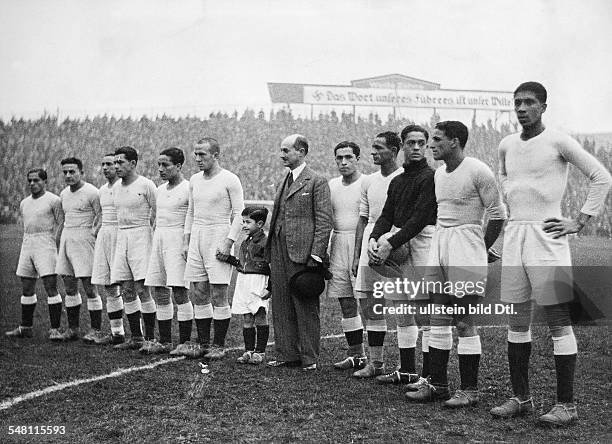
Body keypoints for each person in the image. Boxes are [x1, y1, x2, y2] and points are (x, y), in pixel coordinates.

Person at [490, 82, 612, 425]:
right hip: (516, 236)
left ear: (543, 106)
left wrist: (580, 221)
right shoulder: (506, 145)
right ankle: (521, 398)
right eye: (517, 103)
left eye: (529, 102)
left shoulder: (558, 140)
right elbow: (505, 181)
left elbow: (601, 176)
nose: (522, 108)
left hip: (548, 238)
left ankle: (566, 405)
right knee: (516, 320)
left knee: (558, 319)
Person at [405, 121, 506, 407]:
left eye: (437, 139)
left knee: (463, 320)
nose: (430, 145)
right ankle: (437, 384)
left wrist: (479, 249)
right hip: (440, 244)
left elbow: (498, 215)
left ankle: (470, 390)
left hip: (466, 245)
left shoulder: (477, 170)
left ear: (455, 141)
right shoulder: (438, 174)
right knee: (437, 317)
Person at [367, 125, 437, 385]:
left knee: (424, 311)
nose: (416, 147)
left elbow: (419, 217)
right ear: (403, 147)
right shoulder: (397, 180)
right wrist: (375, 239)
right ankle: (407, 369)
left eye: (421, 143)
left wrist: (389, 243)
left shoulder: (431, 177)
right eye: (411, 143)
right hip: (397, 243)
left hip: (421, 243)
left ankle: (430, 375)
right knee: (401, 307)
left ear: (426, 146)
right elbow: (386, 214)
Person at [266, 134, 333, 371]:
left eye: (286, 150)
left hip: (303, 252)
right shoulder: (284, 178)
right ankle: (287, 354)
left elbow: (324, 221)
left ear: (301, 152)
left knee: (305, 303)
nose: (282, 155)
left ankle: (309, 357)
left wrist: (316, 254)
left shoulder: (317, 181)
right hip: (278, 248)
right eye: (281, 150)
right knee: (281, 303)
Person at [182, 137, 244, 359]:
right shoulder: (194, 180)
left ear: (215, 155)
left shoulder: (230, 179)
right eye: (196, 154)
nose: (198, 159)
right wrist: (186, 239)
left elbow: (239, 213)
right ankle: (203, 343)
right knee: (198, 291)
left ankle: (219, 345)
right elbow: (191, 211)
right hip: (198, 235)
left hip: (219, 235)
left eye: (203, 155)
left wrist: (229, 242)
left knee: (218, 293)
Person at [351, 132, 403, 378]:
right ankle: (376, 363)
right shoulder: (368, 181)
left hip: (396, 242)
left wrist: (394, 243)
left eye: (378, 147)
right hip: (371, 241)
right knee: (371, 304)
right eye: (372, 147)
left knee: (404, 306)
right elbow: (363, 220)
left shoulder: (404, 178)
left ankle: (408, 368)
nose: (372, 152)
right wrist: (356, 254)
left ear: (393, 151)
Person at [142, 147, 193, 354]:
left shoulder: (189, 188)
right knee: (160, 290)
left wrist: (186, 243)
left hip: (178, 240)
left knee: (180, 291)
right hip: (160, 240)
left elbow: (192, 218)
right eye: (159, 165)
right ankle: (164, 341)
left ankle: (185, 341)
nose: (161, 169)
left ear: (179, 166)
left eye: (166, 165)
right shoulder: (159, 190)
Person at [6, 169, 64, 340]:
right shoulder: (25, 202)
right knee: (27, 287)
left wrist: (57, 245)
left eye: (36, 180)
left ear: (45, 182)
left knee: (50, 286)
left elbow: (61, 223)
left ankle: (55, 329)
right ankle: (25, 327)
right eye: (30, 181)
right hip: (27, 243)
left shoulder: (54, 200)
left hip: (46, 243)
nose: (32, 184)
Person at [111, 146, 157, 351]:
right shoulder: (116, 188)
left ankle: (150, 338)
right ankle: (136, 337)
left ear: (133, 163)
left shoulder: (146, 185)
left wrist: (152, 239)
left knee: (142, 288)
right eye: (115, 162)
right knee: (127, 289)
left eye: (120, 162)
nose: (116, 166)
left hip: (141, 236)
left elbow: (158, 213)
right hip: (122, 237)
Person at [326, 142, 367, 369]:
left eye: (348, 157)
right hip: (338, 241)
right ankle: (356, 354)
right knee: (346, 302)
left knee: (367, 302)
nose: (343, 162)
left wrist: (361, 251)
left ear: (357, 159)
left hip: (360, 241)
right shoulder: (332, 185)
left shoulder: (366, 183)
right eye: (339, 158)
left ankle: (376, 359)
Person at [55, 157, 103, 342]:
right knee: (69, 286)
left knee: (90, 288)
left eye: (72, 171)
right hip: (68, 239)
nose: (68, 175)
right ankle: (73, 329)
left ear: (81, 172)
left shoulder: (92, 192)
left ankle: (96, 330)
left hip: (85, 241)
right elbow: (63, 220)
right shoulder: (63, 194)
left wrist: (93, 235)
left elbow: (101, 216)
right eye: (65, 172)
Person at [217, 206, 271, 365]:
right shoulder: (245, 242)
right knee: (247, 317)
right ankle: (249, 350)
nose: (244, 225)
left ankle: (260, 351)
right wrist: (227, 258)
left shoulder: (266, 242)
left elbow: (272, 265)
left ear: (260, 224)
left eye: (248, 222)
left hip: (258, 281)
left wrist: (270, 287)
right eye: (243, 222)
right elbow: (242, 264)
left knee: (260, 315)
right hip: (243, 281)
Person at [91, 153, 125, 345]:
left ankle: (140, 333)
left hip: (122, 235)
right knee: (109, 286)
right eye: (103, 164)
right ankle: (117, 332)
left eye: (110, 164)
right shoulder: (102, 190)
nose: (106, 168)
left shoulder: (126, 186)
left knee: (128, 286)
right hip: (106, 236)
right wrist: (96, 229)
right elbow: (102, 214)